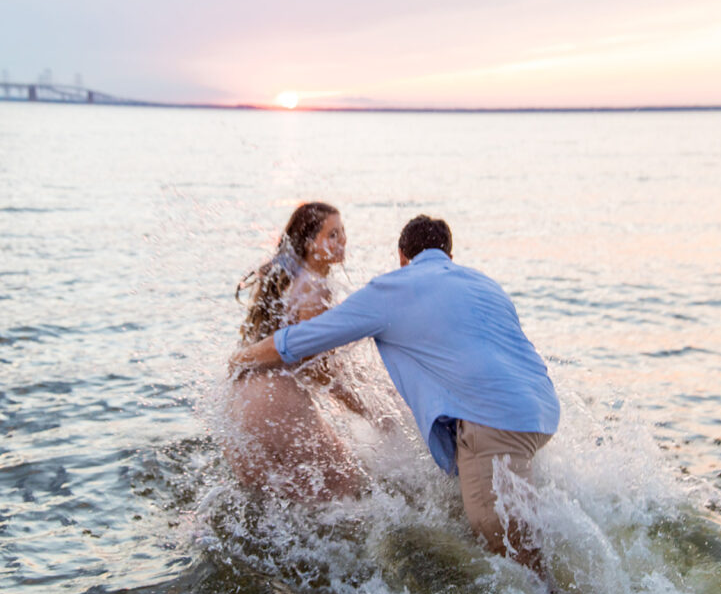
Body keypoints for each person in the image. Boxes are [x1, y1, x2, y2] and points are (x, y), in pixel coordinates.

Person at [231, 215, 560, 570]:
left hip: (493, 422)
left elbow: (302, 340)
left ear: (401, 256)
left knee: (516, 561)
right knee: (485, 526)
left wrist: (240, 358)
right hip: (540, 412)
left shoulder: (394, 288)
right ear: (449, 255)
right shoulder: (484, 284)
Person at [226, 202, 372, 501]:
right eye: (332, 235)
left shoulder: (289, 281)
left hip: (242, 400)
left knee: (270, 500)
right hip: (275, 401)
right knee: (346, 486)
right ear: (309, 244)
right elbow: (315, 367)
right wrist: (364, 408)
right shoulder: (316, 289)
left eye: (342, 232)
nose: (342, 240)